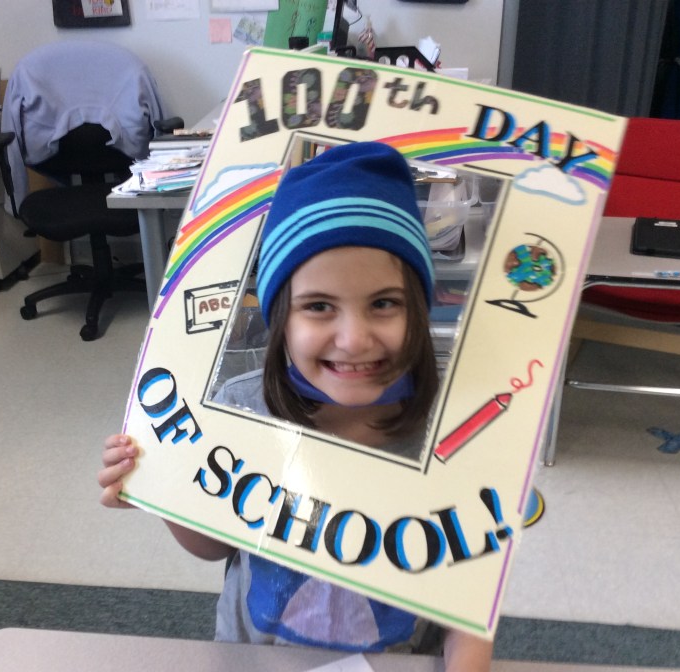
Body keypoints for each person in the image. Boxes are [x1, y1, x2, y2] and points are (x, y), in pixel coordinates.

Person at [99, 142, 494, 670]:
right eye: (319, 306)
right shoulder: (239, 409)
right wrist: (161, 488)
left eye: (383, 303)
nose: (353, 340)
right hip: (257, 658)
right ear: (281, 318)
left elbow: (470, 600)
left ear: (418, 309)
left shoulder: (457, 431)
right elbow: (214, 546)